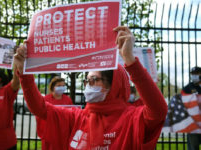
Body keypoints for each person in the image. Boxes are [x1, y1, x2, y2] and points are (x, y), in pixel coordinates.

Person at [14, 26, 168, 149]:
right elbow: (39, 108)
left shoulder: (132, 118)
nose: (88, 86)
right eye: (86, 81)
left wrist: (129, 59)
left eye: (94, 80)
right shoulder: (77, 116)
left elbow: (159, 110)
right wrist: (24, 74)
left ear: (113, 84)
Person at [37, 76, 73, 149]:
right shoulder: (45, 99)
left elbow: (72, 114)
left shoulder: (68, 99)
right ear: (53, 87)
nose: (61, 87)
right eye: (59, 86)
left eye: (63, 86)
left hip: (63, 132)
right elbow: (40, 115)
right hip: (49, 132)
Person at [181, 66, 201, 150]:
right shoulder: (187, 88)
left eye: (196, 74)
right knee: (193, 147)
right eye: (192, 74)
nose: (194, 76)